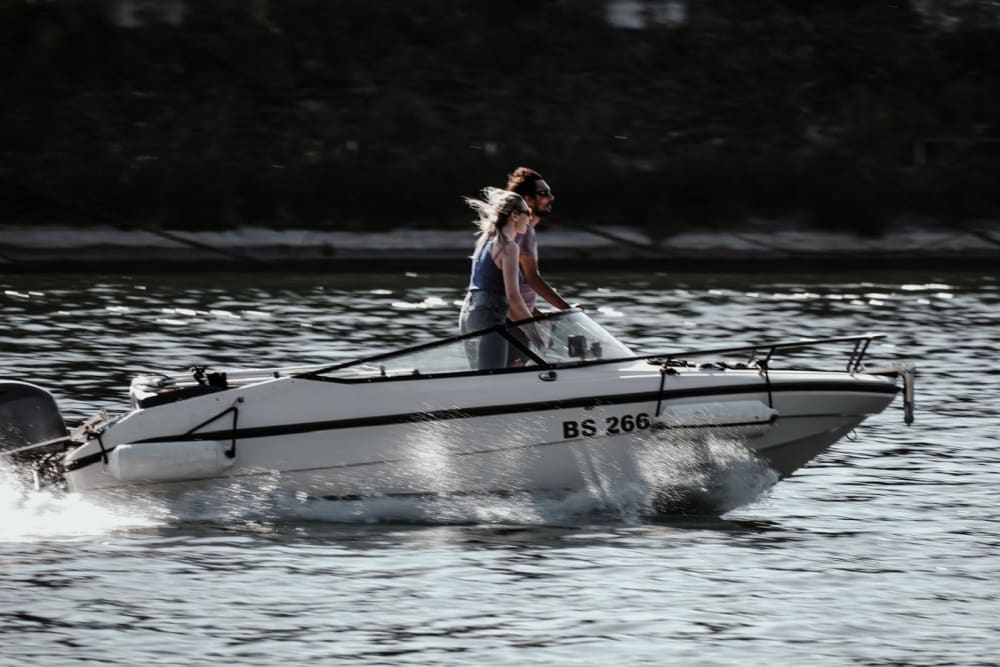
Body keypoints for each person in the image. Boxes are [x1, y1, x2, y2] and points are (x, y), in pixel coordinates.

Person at [458, 188, 534, 370]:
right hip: (489, 317)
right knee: (492, 378)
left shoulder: (485, 241)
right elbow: (513, 297)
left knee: (484, 376)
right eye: (528, 213)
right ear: (515, 215)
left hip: (469, 314)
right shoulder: (509, 247)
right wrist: (535, 332)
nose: (530, 218)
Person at [505, 167, 571, 314]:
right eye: (544, 193)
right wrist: (568, 310)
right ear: (527, 199)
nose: (551, 197)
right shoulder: (523, 230)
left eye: (549, 192)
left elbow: (518, 285)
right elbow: (532, 278)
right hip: (509, 319)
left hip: (517, 316)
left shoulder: (515, 228)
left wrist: (537, 315)